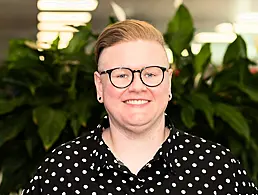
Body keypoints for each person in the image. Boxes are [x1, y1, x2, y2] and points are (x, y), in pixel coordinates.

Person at [22, 19, 258, 195]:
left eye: (150, 73)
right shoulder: (60, 171)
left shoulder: (218, 168)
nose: (137, 86)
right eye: (121, 75)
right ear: (99, 86)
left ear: (168, 83)